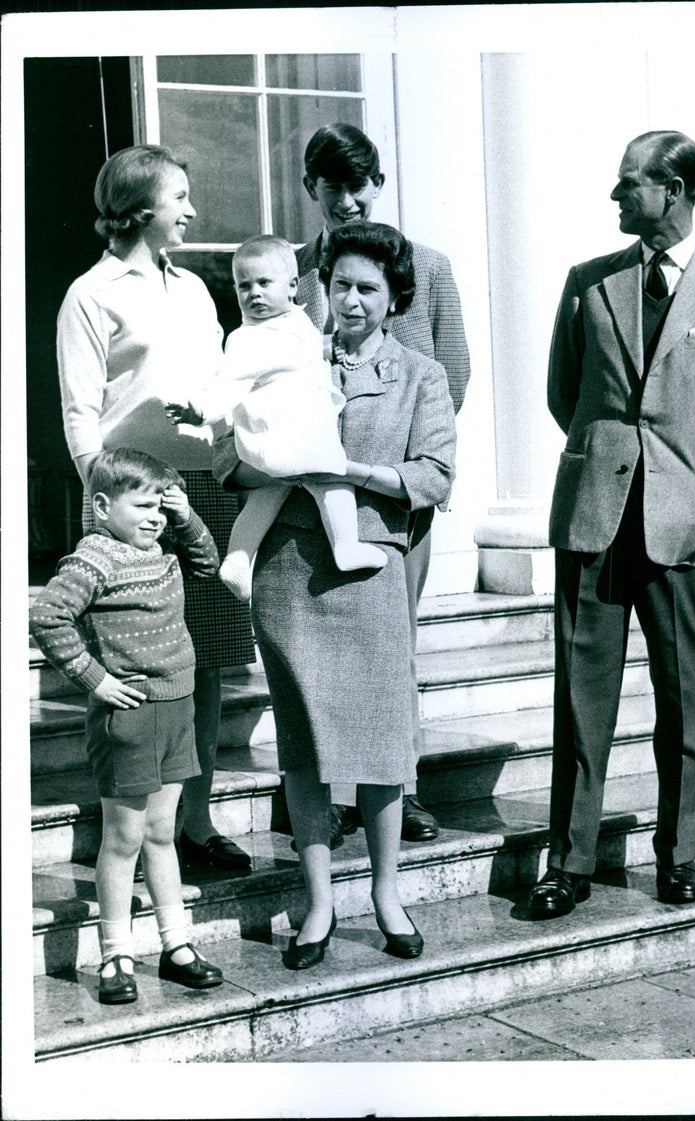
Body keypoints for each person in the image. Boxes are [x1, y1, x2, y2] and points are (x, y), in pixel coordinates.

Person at [528, 131, 695, 919]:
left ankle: (679, 855)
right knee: (579, 700)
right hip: (593, 522)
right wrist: (607, 461)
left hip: (682, 530)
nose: (616, 197)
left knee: (682, 697)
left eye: (628, 184)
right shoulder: (588, 283)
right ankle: (569, 860)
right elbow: (565, 393)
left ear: (673, 188)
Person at [213, 221, 457, 968]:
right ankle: (317, 904)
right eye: (340, 284)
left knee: (384, 744)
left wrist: (351, 471)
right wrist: (276, 463)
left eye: (367, 289)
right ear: (319, 286)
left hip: (371, 565)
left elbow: (435, 475)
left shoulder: (421, 374)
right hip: (289, 569)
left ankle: (387, 894)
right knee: (305, 746)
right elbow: (228, 457)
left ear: (394, 298)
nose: (349, 301)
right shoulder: (285, 348)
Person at [57, 144, 256, 873]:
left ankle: (192, 823)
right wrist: (110, 504)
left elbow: (219, 385)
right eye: (181, 198)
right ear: (142, 208)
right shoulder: (91, 293)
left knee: (197, 665)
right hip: (128, 502)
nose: (193, 212)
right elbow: (80, 414)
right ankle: (129, 829)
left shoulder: (198, 291)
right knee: (133, 666)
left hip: (204, 489)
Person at [296, 122, 471, 845]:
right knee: (316, 651)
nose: (349, 200)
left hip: (395, 497)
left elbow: (453, 371)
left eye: (360, 184)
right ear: (314, 189)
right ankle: (329, 795)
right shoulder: (294, 268)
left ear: (379, 184)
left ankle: (403, 788)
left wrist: (398, 452)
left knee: (391, 643)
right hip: (307, 498)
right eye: (334, 186)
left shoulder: (423, 266)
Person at [29, 449, 225, 1004]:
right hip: (130, 717)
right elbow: (46, 616)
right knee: (124, 839)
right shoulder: (94, 559)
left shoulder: (163, 549)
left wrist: (185, 515)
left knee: (163, 833)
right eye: (142, 506)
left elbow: (208, 562)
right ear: (101, 506)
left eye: (161, 508)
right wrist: (94, 680)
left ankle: (177, 945)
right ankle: (116, 954)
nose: (154, 518)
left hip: (178, 707)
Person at [165, 234, 386, 602]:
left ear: (293, 286)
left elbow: (309, 353)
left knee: (269, 492)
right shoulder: (247, 338)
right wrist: (201, 411)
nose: (253, 293)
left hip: (286, 443)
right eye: (243, 285)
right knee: (335, 482)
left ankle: (238, 557)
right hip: (293, 438)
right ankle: (346, 545)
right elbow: (228, 384)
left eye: (264, 283)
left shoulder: (297, 324)